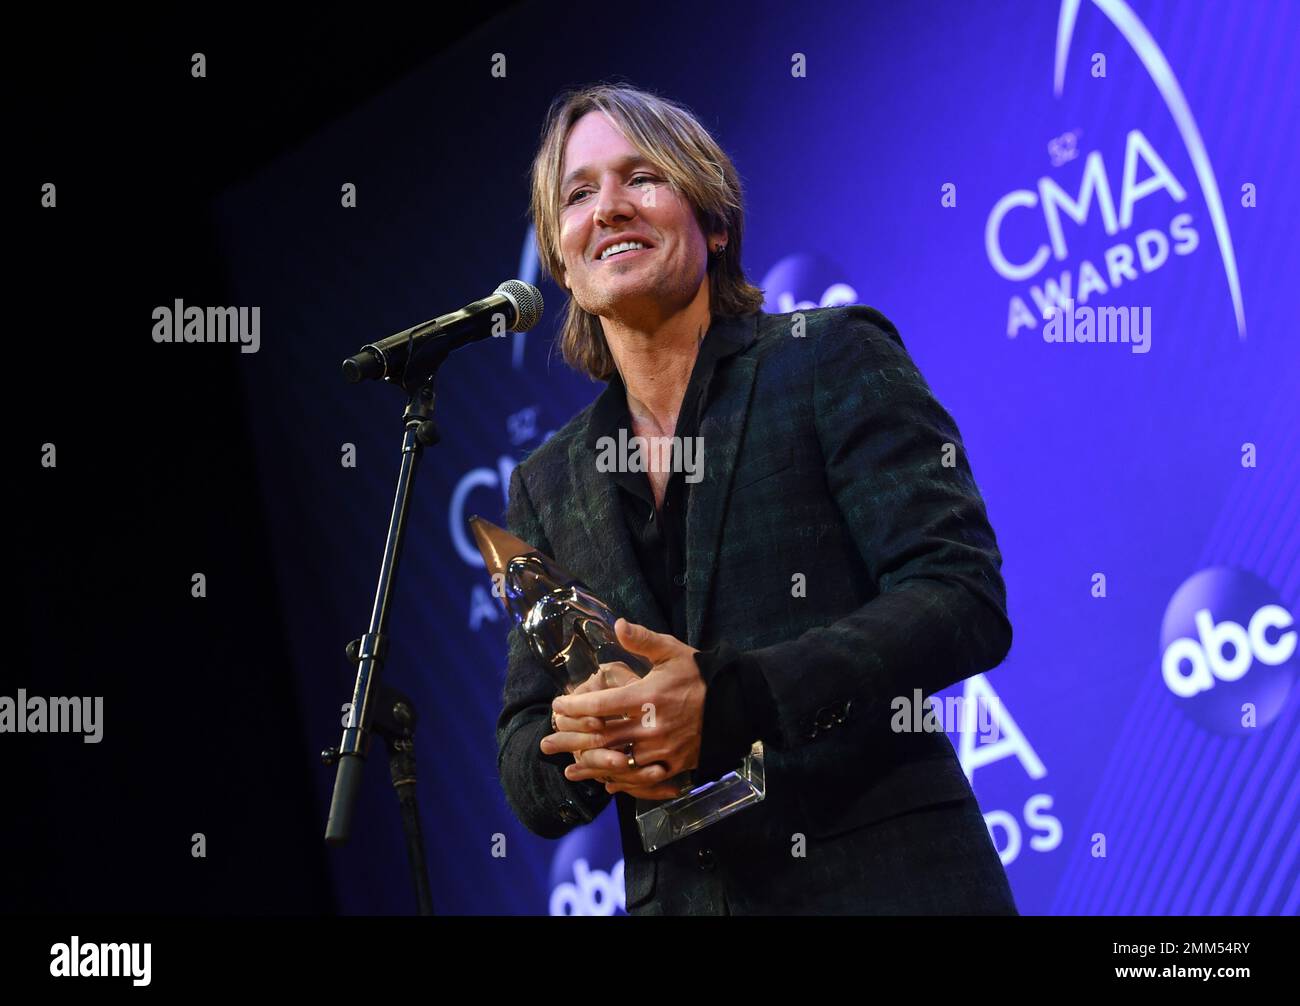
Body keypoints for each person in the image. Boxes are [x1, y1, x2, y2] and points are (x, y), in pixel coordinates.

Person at [495, 82, 1017, 915]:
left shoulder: (829, 357)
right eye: (578, 194)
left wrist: (735, 700)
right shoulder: (546, 482)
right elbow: (527, 755)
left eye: (642, 178)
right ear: (560, 258)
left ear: (714, 221)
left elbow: (960, 597)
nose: (610, 208)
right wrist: (588, 741)